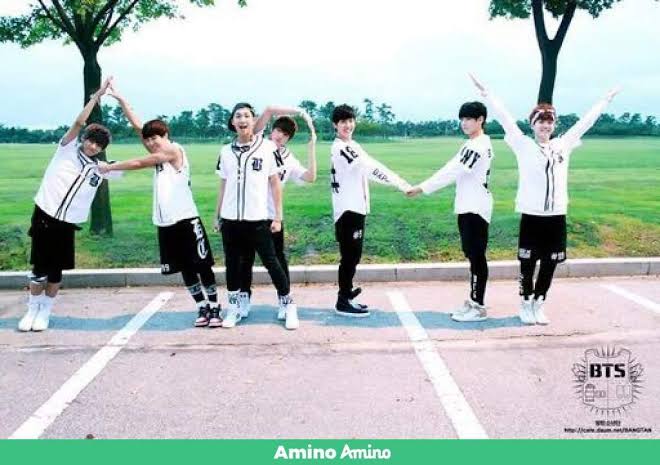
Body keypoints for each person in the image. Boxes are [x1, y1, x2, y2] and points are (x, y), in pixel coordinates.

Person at [469, 73, 620, 325]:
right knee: (527, 263)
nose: (545, 126)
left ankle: (539, 302)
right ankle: (525, 303)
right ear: (533, 125)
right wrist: (486, 93)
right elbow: (505, 118)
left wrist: (605, 100)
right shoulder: (523, 144)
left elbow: (585, 123)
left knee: (550, 264)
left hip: (556, 216)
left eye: (549, 122)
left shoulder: (563, 145)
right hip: (532, 215)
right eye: (541, 121)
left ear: (554, 125)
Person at [99, 83, 220, 328]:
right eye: (149, 139)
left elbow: (139, 163)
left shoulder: (173, 150)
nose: (151, 142)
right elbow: (138, 127)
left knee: (202, 265)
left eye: (155, 138)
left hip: (186, 218)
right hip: (165, 223)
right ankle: (201, 306)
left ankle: (215, 306)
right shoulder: (156, 148)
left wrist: (110, 167)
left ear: (165, 136)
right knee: (185, 268)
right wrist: (121, 100)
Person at [19, 78, 114, 332]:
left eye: (99, 145)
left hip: (67, 222)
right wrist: (96, 96)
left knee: (56, 269)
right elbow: (78, 122)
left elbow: (133, 165)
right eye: (91, 140)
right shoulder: (66, 149)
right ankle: (32, 309)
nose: (93, 146)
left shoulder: (98, 168)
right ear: (84, 138)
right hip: (45, 213)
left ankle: (45, 312)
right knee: (39, 266)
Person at [407, 101, 494, 322]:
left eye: (469, 119)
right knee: (472, 255)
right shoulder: (470, 144)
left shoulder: (478, 146)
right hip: (467, 206)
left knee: (477, 257)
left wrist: (422, 188)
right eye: (462, 119)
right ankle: (474, 300)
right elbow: (451, 166)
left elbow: (453, 171)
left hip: (475, 208)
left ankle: (478, 306)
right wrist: (424, 185)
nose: (464, 123)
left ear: (481, 120)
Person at [214, 103, 297, 329]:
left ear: (254, 121)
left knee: (272, 262)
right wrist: (217, 215)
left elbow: (275, 183)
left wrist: (278, 217)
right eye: (238, 116)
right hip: (231, 219)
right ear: (232, 122)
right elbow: (223, 184)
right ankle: (234, 308)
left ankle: (288, 304)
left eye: (247, 116)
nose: (242, 120)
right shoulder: (225, 151)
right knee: (233, 264)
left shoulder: (267, 148)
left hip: (258, 218)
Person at [237, 106, 317, 323]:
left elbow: (310, 177)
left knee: (277, 260)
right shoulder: (257, 143)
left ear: (289, 139)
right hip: (249, 213)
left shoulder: (288, 158)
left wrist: (311, 148)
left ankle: (284, 300)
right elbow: (269, 110)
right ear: (272, 130)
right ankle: (244, 299)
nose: (280, 136)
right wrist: (300, 112)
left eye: (286, 134)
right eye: (278, 130)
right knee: (245, 258)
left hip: (273, 216)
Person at [330, 104, 411, 317]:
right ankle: (343, 300)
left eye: (350, 121)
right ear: (335, 125)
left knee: (353, 255)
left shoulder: (352, 145)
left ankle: (346, 292)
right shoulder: (341, 148)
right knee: (350, 256)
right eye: (343, 122)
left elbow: (369, 164)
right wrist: (400, 184)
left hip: (356, 208)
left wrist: (398, 182)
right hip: (348, 210)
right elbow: (369, 168)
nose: (348, 125)